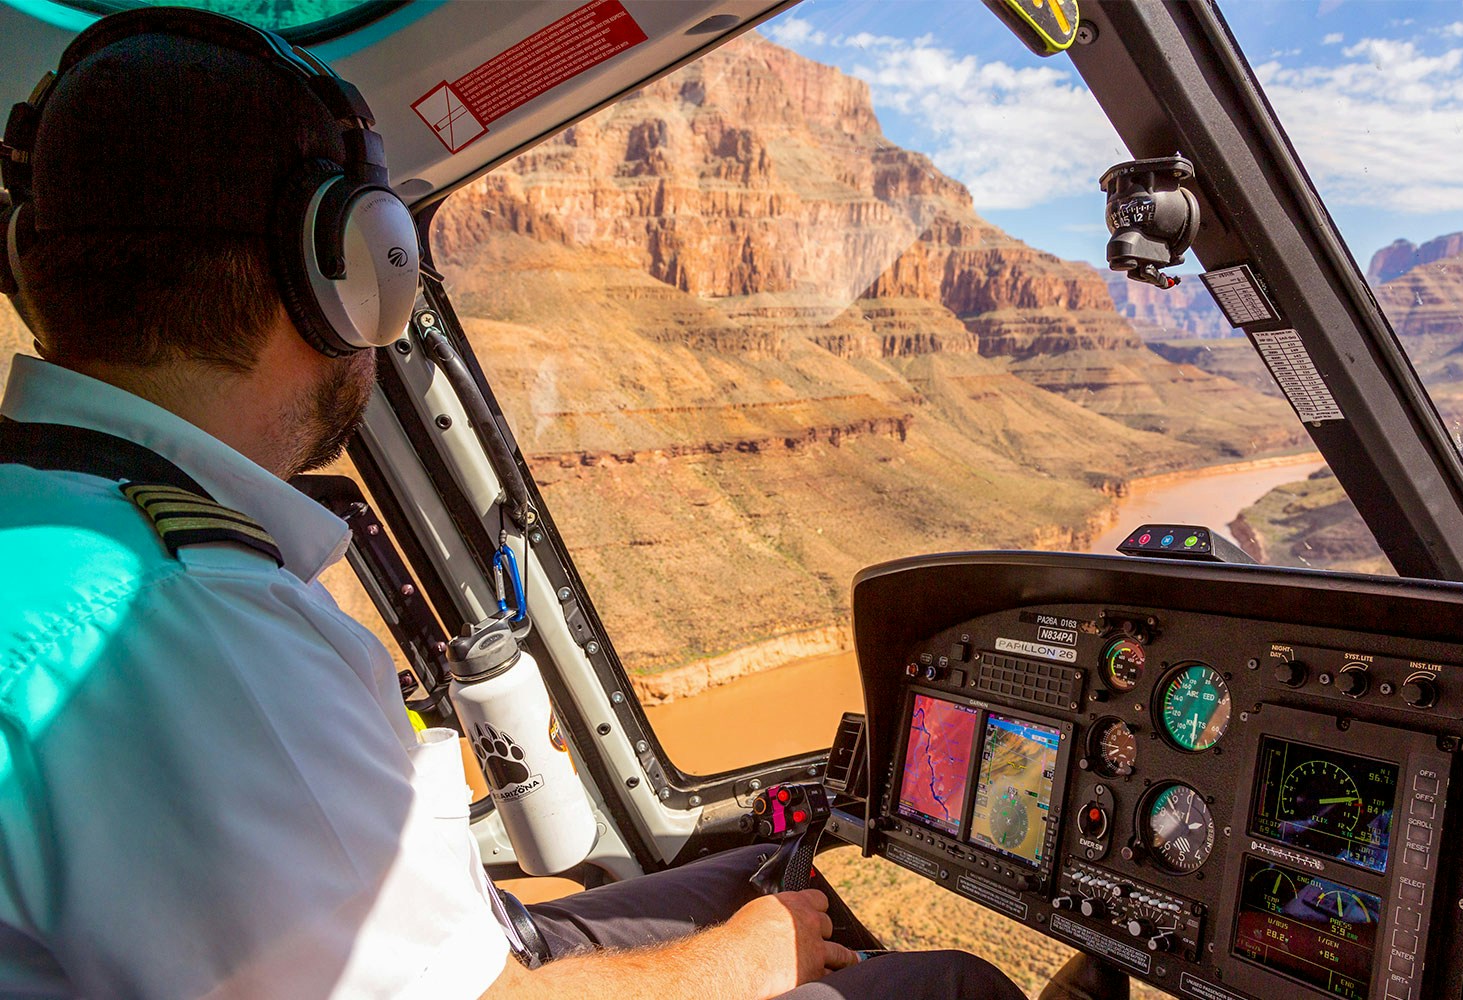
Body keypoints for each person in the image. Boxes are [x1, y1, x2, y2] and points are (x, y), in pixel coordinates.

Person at [0, 10, 1025, 999]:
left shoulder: (64, 517)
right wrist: (752, 960)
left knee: (761, 874)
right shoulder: (184, 623)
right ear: (353, 266)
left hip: (451, 941)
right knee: (952, 981)